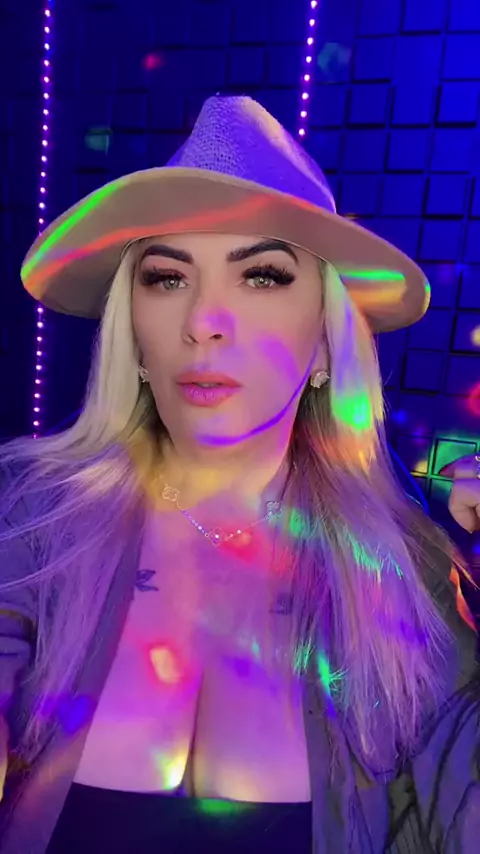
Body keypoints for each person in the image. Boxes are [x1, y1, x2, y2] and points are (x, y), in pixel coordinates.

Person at [0, 94, 479, 854]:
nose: (203, 321)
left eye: (261, 276)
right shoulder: (33, 517)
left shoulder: (404, 570)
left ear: (325, 344)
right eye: (167, 278)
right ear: (134, 336)